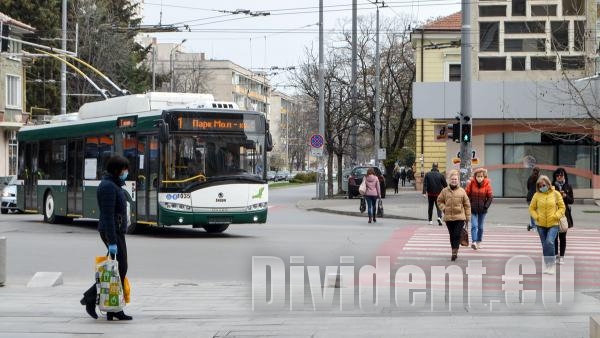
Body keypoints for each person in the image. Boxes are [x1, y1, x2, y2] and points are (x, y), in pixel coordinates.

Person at [81, 155, 133, 321]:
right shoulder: (108, 187)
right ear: (117, 169)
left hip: (116, 231)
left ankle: (112, 308)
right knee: (120, 268)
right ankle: (91, 297)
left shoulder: (114, 184)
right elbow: (108, 216)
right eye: (125, 169)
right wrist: (112, 242)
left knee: (118, 269)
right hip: (111, 231)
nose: (127, 172)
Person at [529, 175, 565, 275]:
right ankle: (548, 265)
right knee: (545, 245)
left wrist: (556, 215)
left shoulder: (556, 194)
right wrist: (536, 217)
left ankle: (552, 265)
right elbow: (531, 208)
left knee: (549, 242)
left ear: (548, 184)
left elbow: (562, 207)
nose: (542, 188)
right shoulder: (536, 195)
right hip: (541, 225)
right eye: (540, 186)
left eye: (543, 185)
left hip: (553, 223)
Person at [437, 169, 471, 261]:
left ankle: (455, 252)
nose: (454, 181)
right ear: (449, 180)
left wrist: (467, 217)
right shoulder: (444, 191)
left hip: (460, 217)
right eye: (452, 179)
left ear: (458, 180)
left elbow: (467, 205)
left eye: (455, 179)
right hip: (448, 218)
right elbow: (439, 201)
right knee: (452, 235)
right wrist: (443, 208)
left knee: (456, 234)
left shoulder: (462, 191)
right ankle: (453, 249)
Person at [465, 167, 493, 250]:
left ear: (484, 177)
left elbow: (490, 197)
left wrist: (486, 206)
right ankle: (474, 242)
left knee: (480, 227)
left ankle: (479, 241)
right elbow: (466, 194)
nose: (480, 178)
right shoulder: (471, 184)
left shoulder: (487, 185)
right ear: (475, 177)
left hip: (482, 210)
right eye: (478, 176)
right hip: (472, 209)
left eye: (481, 176)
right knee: (474, 225)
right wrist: (468, 204)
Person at [552, 168, 574, 265]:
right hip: (554, 214)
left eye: (561, 175)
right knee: (554, 236)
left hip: (564, 215)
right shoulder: (552, 187)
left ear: (564, 176)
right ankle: (556, 254)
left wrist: (565, 196)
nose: (559, 177)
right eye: (557, 175)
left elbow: (571, 201)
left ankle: (562, 257)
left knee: (563, 236)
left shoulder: (568, 186)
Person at [526, 166, 540, 231]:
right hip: (536, 197)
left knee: (532, 211)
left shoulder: (529, 178)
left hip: (529, 197)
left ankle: (533, 225)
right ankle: (534, 225)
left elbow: (528, 187)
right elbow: (541, 188)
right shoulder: (540, 179)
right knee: (537, 211)